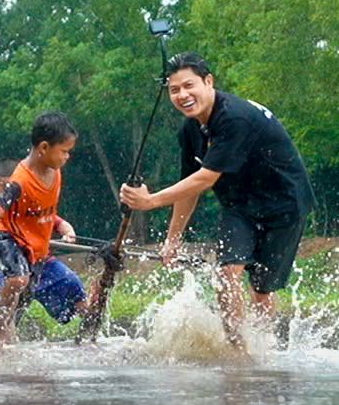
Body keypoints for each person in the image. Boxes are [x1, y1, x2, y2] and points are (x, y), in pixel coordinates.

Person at [119, 52, 314, 348]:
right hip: (239, 205)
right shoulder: (189, 130)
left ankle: (263, 347)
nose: (182, 95)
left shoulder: (234, 118)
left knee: (261, 289)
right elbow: (190, 186)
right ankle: (237, 350)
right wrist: (173, 239)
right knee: (226, 272)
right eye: (174, 90)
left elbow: (206, 178)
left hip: (284, 203)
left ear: (208, 82)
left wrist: (150, 201)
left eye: (189, 85)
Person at [0, 112, 96, 358]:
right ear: (44, 147)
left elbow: (48, 216)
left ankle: (89, 344)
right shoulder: (19, 181)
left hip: (38, 253)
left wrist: (66, 230)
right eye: (64, 151)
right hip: (6, 239)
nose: (67, 157)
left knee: (78, 294)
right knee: (19, 279)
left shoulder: (54, 171)